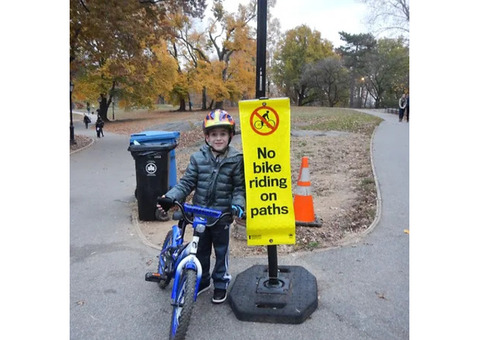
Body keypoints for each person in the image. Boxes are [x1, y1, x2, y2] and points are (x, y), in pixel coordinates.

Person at [157, 109, 246, 304]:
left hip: (221, 216)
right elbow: (186, 183)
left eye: (223, 134)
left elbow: (240, 188)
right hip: (200, 215)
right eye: (213, 134)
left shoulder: (236, 160)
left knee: (221, 251)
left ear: (230, 136)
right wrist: (171, 197)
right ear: (206, 137)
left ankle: (220, 284)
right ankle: (203, 280)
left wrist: (238, 205)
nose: (218, 138)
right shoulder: (197, 159)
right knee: (201, 250)